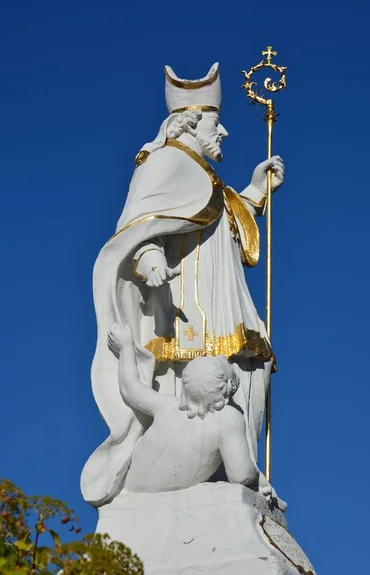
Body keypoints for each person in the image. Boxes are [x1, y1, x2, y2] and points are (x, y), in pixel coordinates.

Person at [81, 63, 285, 507]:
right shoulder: (164, 163)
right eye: (216, 122)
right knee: (191, 376)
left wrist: (252, 192)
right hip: (186, 304)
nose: (225, 132)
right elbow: (135, 227)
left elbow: (218, 222)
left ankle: (245, 468)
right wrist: (149, 256)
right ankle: (205, 473)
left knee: (253, 363)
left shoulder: (205, 176)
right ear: (189, 122)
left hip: (226, 295)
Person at [108, 323, 274, 498]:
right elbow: (241, 475)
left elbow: (130, 388)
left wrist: (126, 347)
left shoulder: (167, 406)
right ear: (228, 386)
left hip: (132, 490)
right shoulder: (227, 419)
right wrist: (258, 477)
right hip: (161, 498)